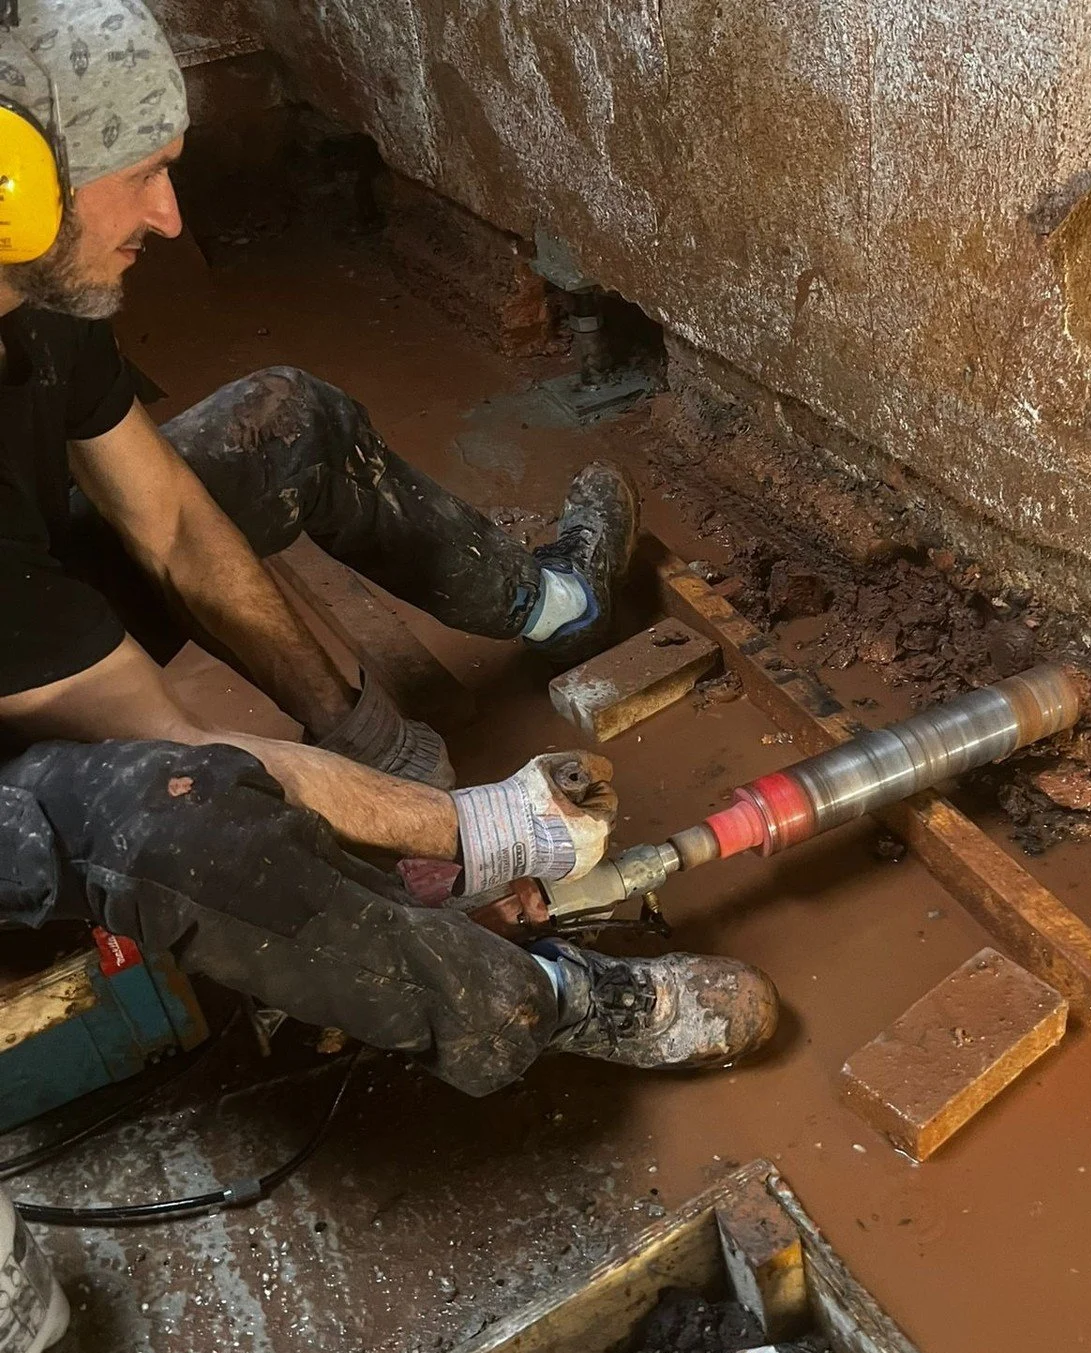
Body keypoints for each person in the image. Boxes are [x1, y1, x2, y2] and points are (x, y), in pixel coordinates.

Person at [0, 0, 780, 1093]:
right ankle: (537, 999)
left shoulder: (31, 297)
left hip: (20, 620)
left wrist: (365, 737)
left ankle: (551, 602)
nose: (172, 218)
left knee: (284, 422)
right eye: (141, 174)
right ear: (13, 187)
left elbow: (170, 524)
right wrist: (472, 829)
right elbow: (176, 745)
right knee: (170, 819)